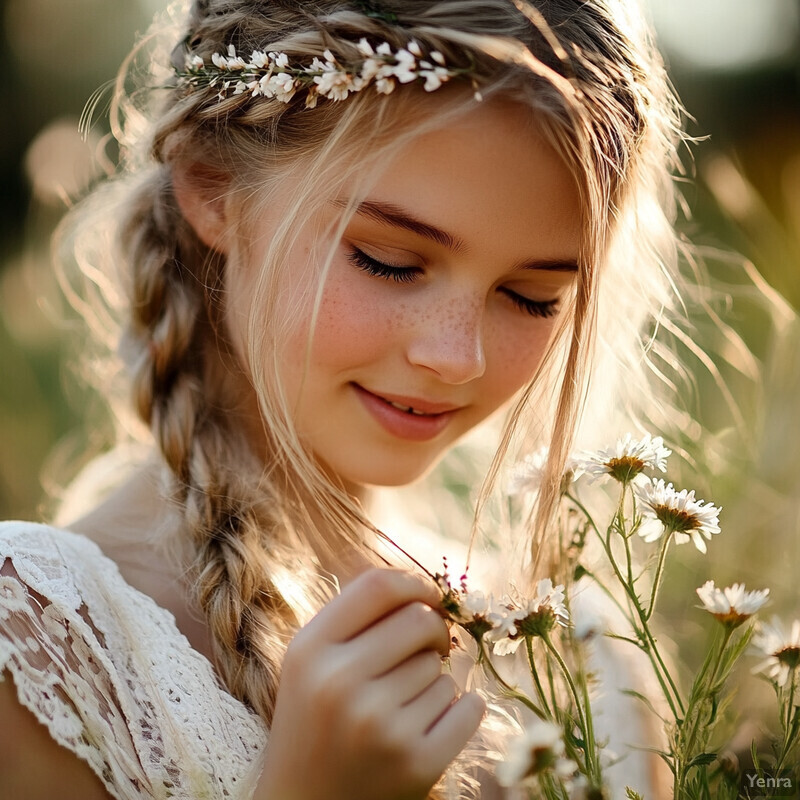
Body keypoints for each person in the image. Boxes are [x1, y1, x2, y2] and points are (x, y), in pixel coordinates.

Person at [0, 0, 685, 797]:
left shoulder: (585, 671)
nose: (456, 357)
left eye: (533, 297)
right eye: (390, 261)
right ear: (214, 188)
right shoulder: (39, 649)